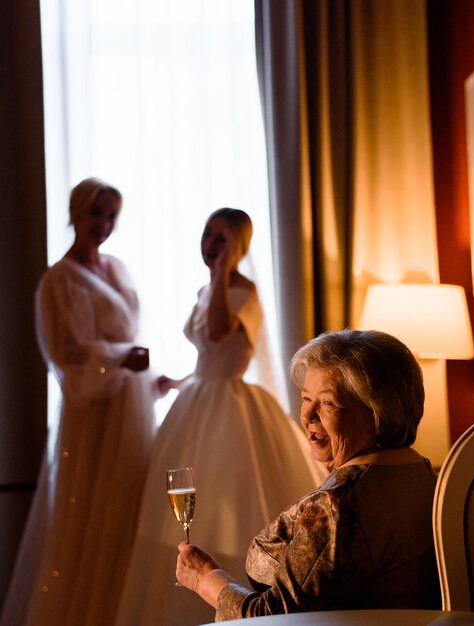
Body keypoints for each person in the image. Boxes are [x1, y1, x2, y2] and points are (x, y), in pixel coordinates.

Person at [115, 208, 326, 626]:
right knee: (176, 513)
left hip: (231, 404)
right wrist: (178, 381)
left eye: (223, 239)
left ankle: (235, 599)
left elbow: (216, 334)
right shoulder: (205, 289)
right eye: (209, 235)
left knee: (232, 504)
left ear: (239, 247)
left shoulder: (242, 291)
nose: (211, 245)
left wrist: (221, 272)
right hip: (197, 397)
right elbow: (208, 355)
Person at [175, 328, 442, 620]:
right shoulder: (426, 474)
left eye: (327, 402)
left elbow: (277, 620)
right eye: (305, 398)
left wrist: (205, 577)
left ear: (378, 413)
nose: (307, 416)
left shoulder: (335, 507)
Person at [0, 178, 160, 626]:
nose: (104, 224)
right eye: (96, 213)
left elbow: (128, 340)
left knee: (127, 514)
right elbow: (66, 360)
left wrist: (149, 379)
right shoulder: (58, 280)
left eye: (111, 216)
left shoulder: (118, 268)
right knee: (89, 515)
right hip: (93, 413)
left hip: (130, 407)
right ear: (76, 213)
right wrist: (121, 360)